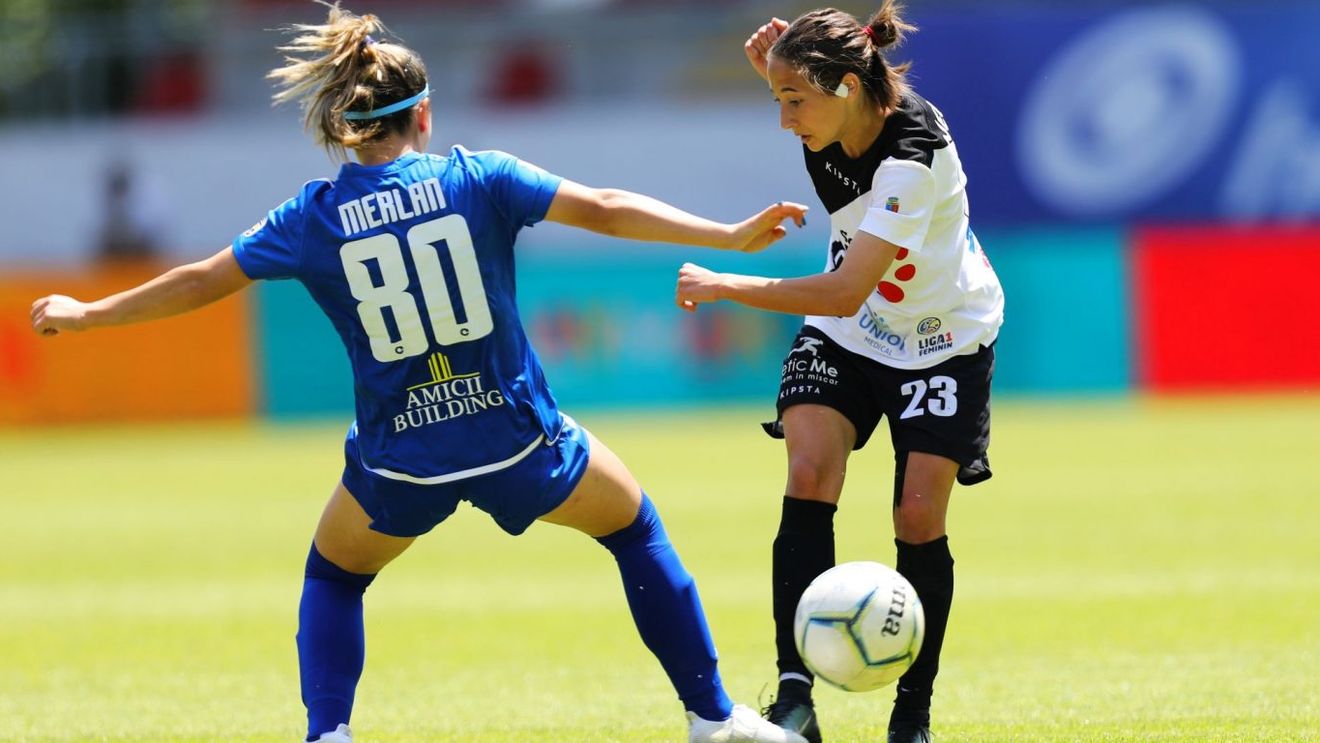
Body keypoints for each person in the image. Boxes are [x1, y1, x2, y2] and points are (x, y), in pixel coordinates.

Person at [29, 5, 812, 743]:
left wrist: (90, 313)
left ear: (344, 124)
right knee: (633, 529)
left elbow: (203, 278)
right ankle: (712, 717)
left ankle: (329, 732)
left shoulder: (311, 217)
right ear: (424, 115)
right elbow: (604, 206)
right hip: (516, 442)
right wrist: (726, 235)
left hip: (399, 460)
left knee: (336, 575)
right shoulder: (480, 177)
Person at [675, 5, 1004, 743]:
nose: (784, 120)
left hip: (941, 337)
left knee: (917, 515)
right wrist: (783, 71)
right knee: (808, 470)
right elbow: (848, 304)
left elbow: (846, 288)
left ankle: (911, 713)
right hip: (850, 335)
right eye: (776, 99)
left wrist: (728, 285)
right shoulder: (835, 112)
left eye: (793, 101)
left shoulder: (913, 156)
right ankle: (796, 697)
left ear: (849, 87)